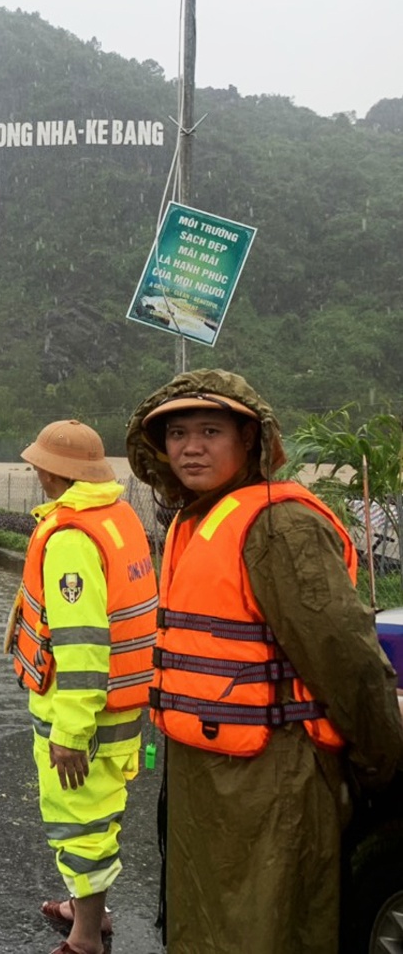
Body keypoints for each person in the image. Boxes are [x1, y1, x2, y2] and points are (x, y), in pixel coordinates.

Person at [126, 368, 403, 954]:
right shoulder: (195, 518)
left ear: (250, 440)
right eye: (176, 434)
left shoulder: (280, 525)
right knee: (202, 925)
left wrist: (386, 764)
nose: (191, 447)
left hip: (275, 787)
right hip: (203, 782)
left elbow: (347, 661)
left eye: (210, 431)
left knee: (267, 929)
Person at [7, 419, 157, 954]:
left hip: (82, 709)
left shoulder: (71, 538)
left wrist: (71, 729)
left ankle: (86, 936)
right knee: (103, 804)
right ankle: (84, 904)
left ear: (51, 473)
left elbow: (82, 642)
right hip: (120, 699)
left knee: (79, 818)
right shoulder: (116, 516)